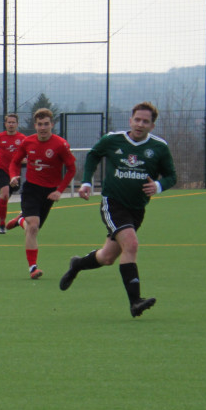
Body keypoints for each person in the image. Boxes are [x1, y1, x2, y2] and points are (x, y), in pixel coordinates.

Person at [59, 102, 177, 318]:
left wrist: (158, 186)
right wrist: (86, 182)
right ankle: (135, 302)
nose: (140, 124)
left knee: (107, 257)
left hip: (137, 208)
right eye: (137, 120)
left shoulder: (159, 148)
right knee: (131, 244)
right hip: (112, 203)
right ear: (130, 120)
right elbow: (94, 154)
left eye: (146, 121)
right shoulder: (113, 140)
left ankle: (77, 264)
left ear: (152, 125)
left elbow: (171, 176)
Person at [6, 108, 77, 280]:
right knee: (34, 226)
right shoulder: (27, 142)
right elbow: (15, 162)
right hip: (31, 189)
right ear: (35, 125)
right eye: (39, 124)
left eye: (46, 124)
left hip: (49, 192)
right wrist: (13, 175)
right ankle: (33, 268)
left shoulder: (60, 144)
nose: (43, 128)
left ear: (52, 125)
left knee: (33, 228)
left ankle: (20, 220)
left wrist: (59, 190)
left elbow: (72, 168)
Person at [0, 114, 26, 235]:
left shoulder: (22, 138)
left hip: (14, 172)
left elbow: (29, 152)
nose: (11, 124)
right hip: (1, 170)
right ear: (5, 124)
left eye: (13, 122)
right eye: (9, 122)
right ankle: (2, 225)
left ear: (17, 124)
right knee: (5, 194)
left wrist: (27, 159)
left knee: (4, 199)